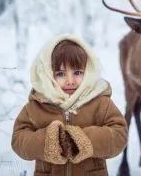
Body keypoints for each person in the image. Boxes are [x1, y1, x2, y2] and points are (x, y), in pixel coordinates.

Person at [11, 34, 128, 176]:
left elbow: (119, 134)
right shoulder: (37, 105)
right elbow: (19, 139)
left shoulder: (100, 103)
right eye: (61, 74)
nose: (70, 81)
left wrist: (84, 140)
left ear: (88, 71)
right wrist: (48, 142)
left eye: (77, 72)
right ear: (48, 75)